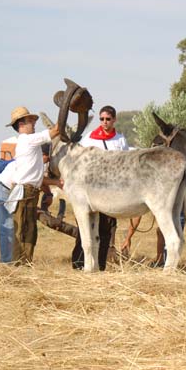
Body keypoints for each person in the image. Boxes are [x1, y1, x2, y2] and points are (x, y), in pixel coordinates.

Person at [73, 105, 128, 270]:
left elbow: (125, 163)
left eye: (108, 119)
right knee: (84, 228)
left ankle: (100, 265)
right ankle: (80, 263)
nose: (105, 122)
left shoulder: (120, 139)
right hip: (90, 188)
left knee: (106, 230)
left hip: (112, 190)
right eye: (102, 119)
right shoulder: (90, 138)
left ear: (114, 120)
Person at [5, 107, 60, 266]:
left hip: (29, 191)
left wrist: (56, 183)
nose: (34, 123)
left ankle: (24, 264)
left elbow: (36, 177)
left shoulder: (30, 143)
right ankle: (18, 266)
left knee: (28, 231)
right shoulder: (27, 139)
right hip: (24, 192)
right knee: (22, 230)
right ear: (21, 124)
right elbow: (55, 131)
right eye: (30, 121)